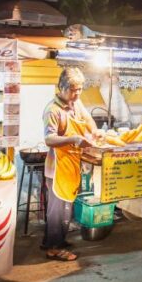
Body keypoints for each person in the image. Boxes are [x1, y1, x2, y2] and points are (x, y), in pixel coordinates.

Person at [42, 68, 100, 261]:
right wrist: (74, 139)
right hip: (57, 168)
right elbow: (49, 139)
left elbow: (88, 118)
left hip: (71, 164)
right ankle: (54, 248)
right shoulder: (53, 110)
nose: (77, 94)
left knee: (66, 209)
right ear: (62, 88)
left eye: (80, 90)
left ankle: (56, 241)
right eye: (73, 90)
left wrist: (95, 131)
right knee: (57, 211)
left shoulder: (76, 103)